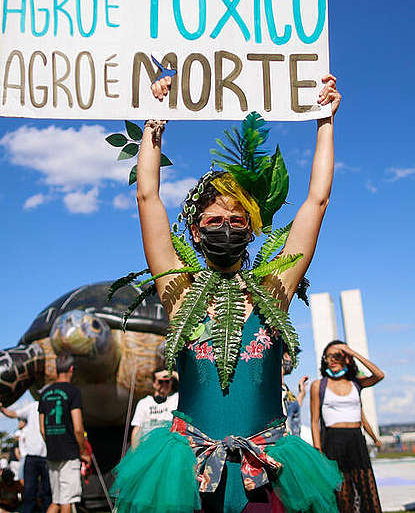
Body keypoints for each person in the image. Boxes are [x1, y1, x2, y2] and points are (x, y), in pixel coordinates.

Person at [111, 76, 344, 513]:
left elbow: (316, 201)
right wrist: (153, 124)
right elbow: (147, 197)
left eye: (237, 222)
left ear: (252, 230)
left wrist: (325, 122)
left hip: (268, 467)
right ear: (195, 231)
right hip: (185, 474)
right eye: (215, 220)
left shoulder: (274, 290)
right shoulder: (179, 289)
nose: (227, 228)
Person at [310, 340, 384, 513]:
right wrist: (318, 450)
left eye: (337, 355)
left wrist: (353, 352)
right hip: (333, 440)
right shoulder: (318, 385)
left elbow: (379, 375)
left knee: (366, 487)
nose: (332, 360)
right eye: (328, 356)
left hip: (356, 439)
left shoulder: (356, 383)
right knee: (341, 491)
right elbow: (314, 421)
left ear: (347, 359)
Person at [39, 354, 89, 513]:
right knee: (68, 500)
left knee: (57, 500)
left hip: (52, 453)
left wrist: (53, 443)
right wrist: (83, 452)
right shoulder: (74, 392)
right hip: (69, 454)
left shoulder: (44, 394)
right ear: (71, 369)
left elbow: (42, 428)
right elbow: (78, 428)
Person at [0, 399, 51, 513]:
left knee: (47, 492)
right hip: (32, 456)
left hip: (47, 455)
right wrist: (1, 409)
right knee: (29, 492)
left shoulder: (52, 404)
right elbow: (14, 414)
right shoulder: (33, 406)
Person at [129, 369, 179, 447]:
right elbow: (137, 428)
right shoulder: (144, 402)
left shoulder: (175, 399)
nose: (164, 385)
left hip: (168, 446)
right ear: (154, 383)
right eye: (160, 381)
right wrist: (135, 451)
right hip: (148, 445)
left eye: (167, 381)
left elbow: (188, 388)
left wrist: (172, 373)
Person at [281, 351, 309, 437]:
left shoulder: (285, 388)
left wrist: (301, 394)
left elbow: (291, 412)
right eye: (291, 356)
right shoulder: (275, 388)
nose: (293, 361)